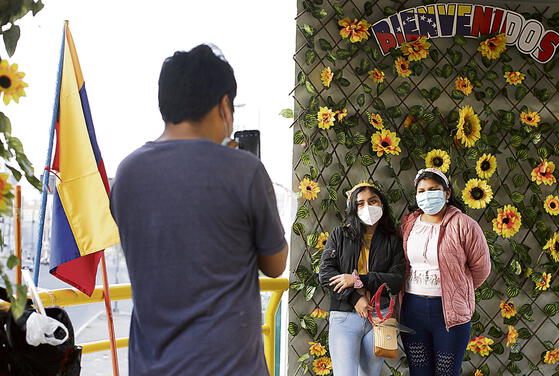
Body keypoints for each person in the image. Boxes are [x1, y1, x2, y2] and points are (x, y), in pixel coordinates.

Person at [109, 44, 288, 376]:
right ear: (223, 106)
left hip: (151, 367)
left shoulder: (127, 173)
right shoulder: (244, 170)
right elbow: (275, 265)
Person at [399, 168, 491, 376]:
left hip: (449, 313)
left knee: (446, 372)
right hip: (412, 310)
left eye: (433, 189)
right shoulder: (408, 224)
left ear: (447, 193)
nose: (426, 195)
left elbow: (481, 268)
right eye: (421, 191)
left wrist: (456, 290)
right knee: (418, 371)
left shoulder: (465, 225)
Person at [318, 182, 405, 376]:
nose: (367, 207)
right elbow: (326, 273)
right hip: (345, 316)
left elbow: (396, 279)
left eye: (372, 201)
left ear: (382, 204)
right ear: (353, 208)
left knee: (370, 374)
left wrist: (359, 280)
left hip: (379, 316)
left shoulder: (392, 240)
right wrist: (355, 298)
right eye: (360, 203)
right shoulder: (340, 235)